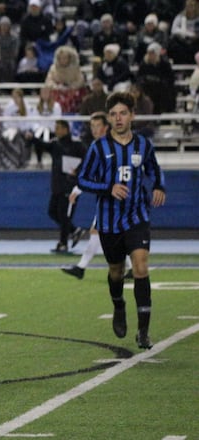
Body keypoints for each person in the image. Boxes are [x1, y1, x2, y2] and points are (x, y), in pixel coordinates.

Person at [76, 91, 166, 349]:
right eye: (113, 114)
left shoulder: (143, 145)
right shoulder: (98, 147)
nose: (118, 118)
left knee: (140, 266)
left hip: (137, 217)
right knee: (116, 271)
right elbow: (82, 179)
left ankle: (144, 331)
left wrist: (159, 186)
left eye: (122, 113)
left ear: (132, 115)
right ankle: (119, 306)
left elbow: (154, 169)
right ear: (109, 118)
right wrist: (108, 187)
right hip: (108, 222)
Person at [62, 112, 133, 280]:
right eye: (92, 126)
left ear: (105, 127)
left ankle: (81, 267)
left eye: (97, 126)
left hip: (116, 195)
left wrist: (77, 190)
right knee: (105, 233)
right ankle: (83, 267)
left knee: (101, 232)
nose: (94, 129)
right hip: (111, 195)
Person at [27, 120, 87, 253]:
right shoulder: (55, 144)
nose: (57, 131)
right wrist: (33, 139)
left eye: (59, 128)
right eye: (56, 128)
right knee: (53, 212)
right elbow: (43, 145)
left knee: (64, 214)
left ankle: (63, 243)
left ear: (66, 129)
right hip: (57, 185)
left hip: (70, 185)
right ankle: (74, 230)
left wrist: (77, 171)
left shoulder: (76, 145)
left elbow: (87, 161)